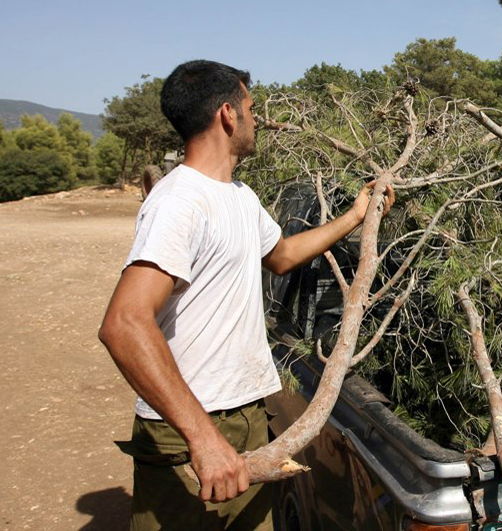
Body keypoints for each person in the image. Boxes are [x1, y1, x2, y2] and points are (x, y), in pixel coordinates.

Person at [98, 59, 393, 530]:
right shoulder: (179, 202)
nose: (257, 120)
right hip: (192, 427)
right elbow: (124, 324)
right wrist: (204, 439)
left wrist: (356, 215)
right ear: (228, 115)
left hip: (246, 413)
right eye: (251, 109)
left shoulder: (237, 195)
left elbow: (280, 255)